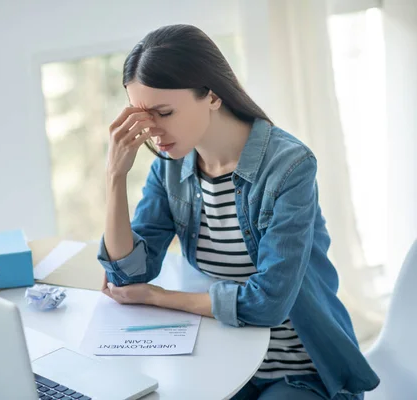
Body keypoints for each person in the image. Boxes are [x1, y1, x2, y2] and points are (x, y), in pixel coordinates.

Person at [97, 24, 379, 399]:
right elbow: (128, 276)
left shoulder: (289, 167)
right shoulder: (170, 169)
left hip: (300, 369)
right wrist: (115, 177)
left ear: (211, 96)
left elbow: (268, 303)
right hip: (221, 358)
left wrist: (158, 297)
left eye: (164, 112)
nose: (153, 132)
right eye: (143, 116)